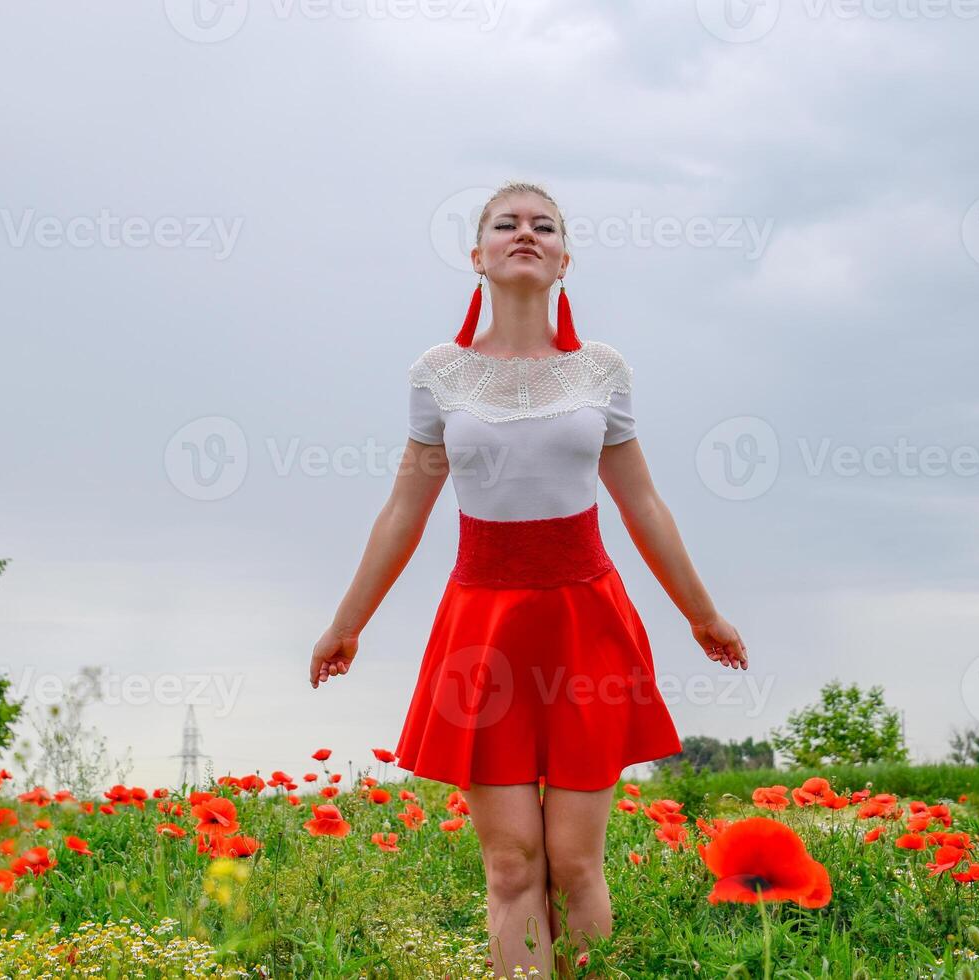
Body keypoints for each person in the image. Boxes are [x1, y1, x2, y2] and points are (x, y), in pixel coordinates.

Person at [309, 181, 748, 979]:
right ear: (477, 256)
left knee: (576, 864)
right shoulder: (439, 374)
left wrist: (702, 614)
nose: (525, 233)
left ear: (563, 261)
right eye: (506, 224)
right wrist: (347, 623)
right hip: (483, 628)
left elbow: (641, 502)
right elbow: (405, 509)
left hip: (586, 620)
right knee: (511, 867)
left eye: (543, 226)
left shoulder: (601, 370)